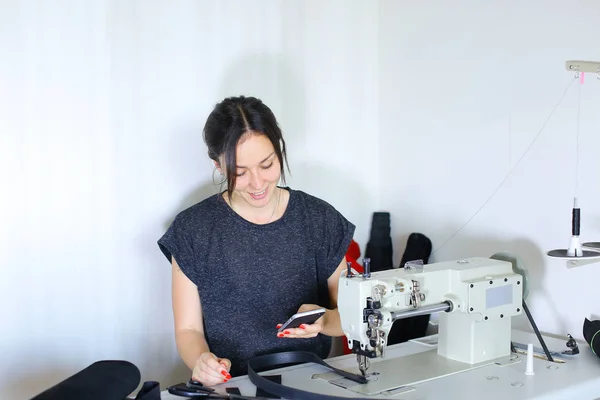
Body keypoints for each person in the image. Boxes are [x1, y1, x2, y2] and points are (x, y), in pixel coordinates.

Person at [157, 95, 355, 386]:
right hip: (230, 385)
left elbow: (349, 312)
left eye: (267, 164)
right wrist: (202, 361)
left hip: (310, 383)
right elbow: (188, 330)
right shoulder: (192, 230)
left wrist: (324, 321)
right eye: (240, 172)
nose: (258, 183)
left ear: (279, 149)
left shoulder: (319, 220)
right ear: (218, 165)